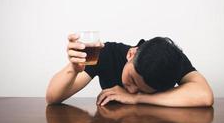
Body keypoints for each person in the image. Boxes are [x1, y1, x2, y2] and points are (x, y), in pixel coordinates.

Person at [46, 33, 214, 107]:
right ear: (131, 53)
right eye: (133, 80)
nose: (132, 90)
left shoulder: (170, 61)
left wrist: (136, 99)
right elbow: (52, 97)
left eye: (143, 90)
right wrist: (74, 69)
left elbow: (205, 96)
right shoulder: (107, 53)